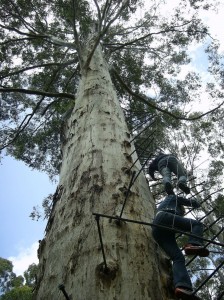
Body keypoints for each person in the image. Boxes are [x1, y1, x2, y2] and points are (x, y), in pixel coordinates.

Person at [152, 194, 209, 300]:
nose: (181, 214)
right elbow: (186, 201)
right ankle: (193, 244)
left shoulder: (167, 208)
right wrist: (196, 203)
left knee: (178, 258)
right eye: (181, 212)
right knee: (197, 225)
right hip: (164, 217)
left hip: (158, 232)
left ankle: (183, 287)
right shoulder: (172, 198)